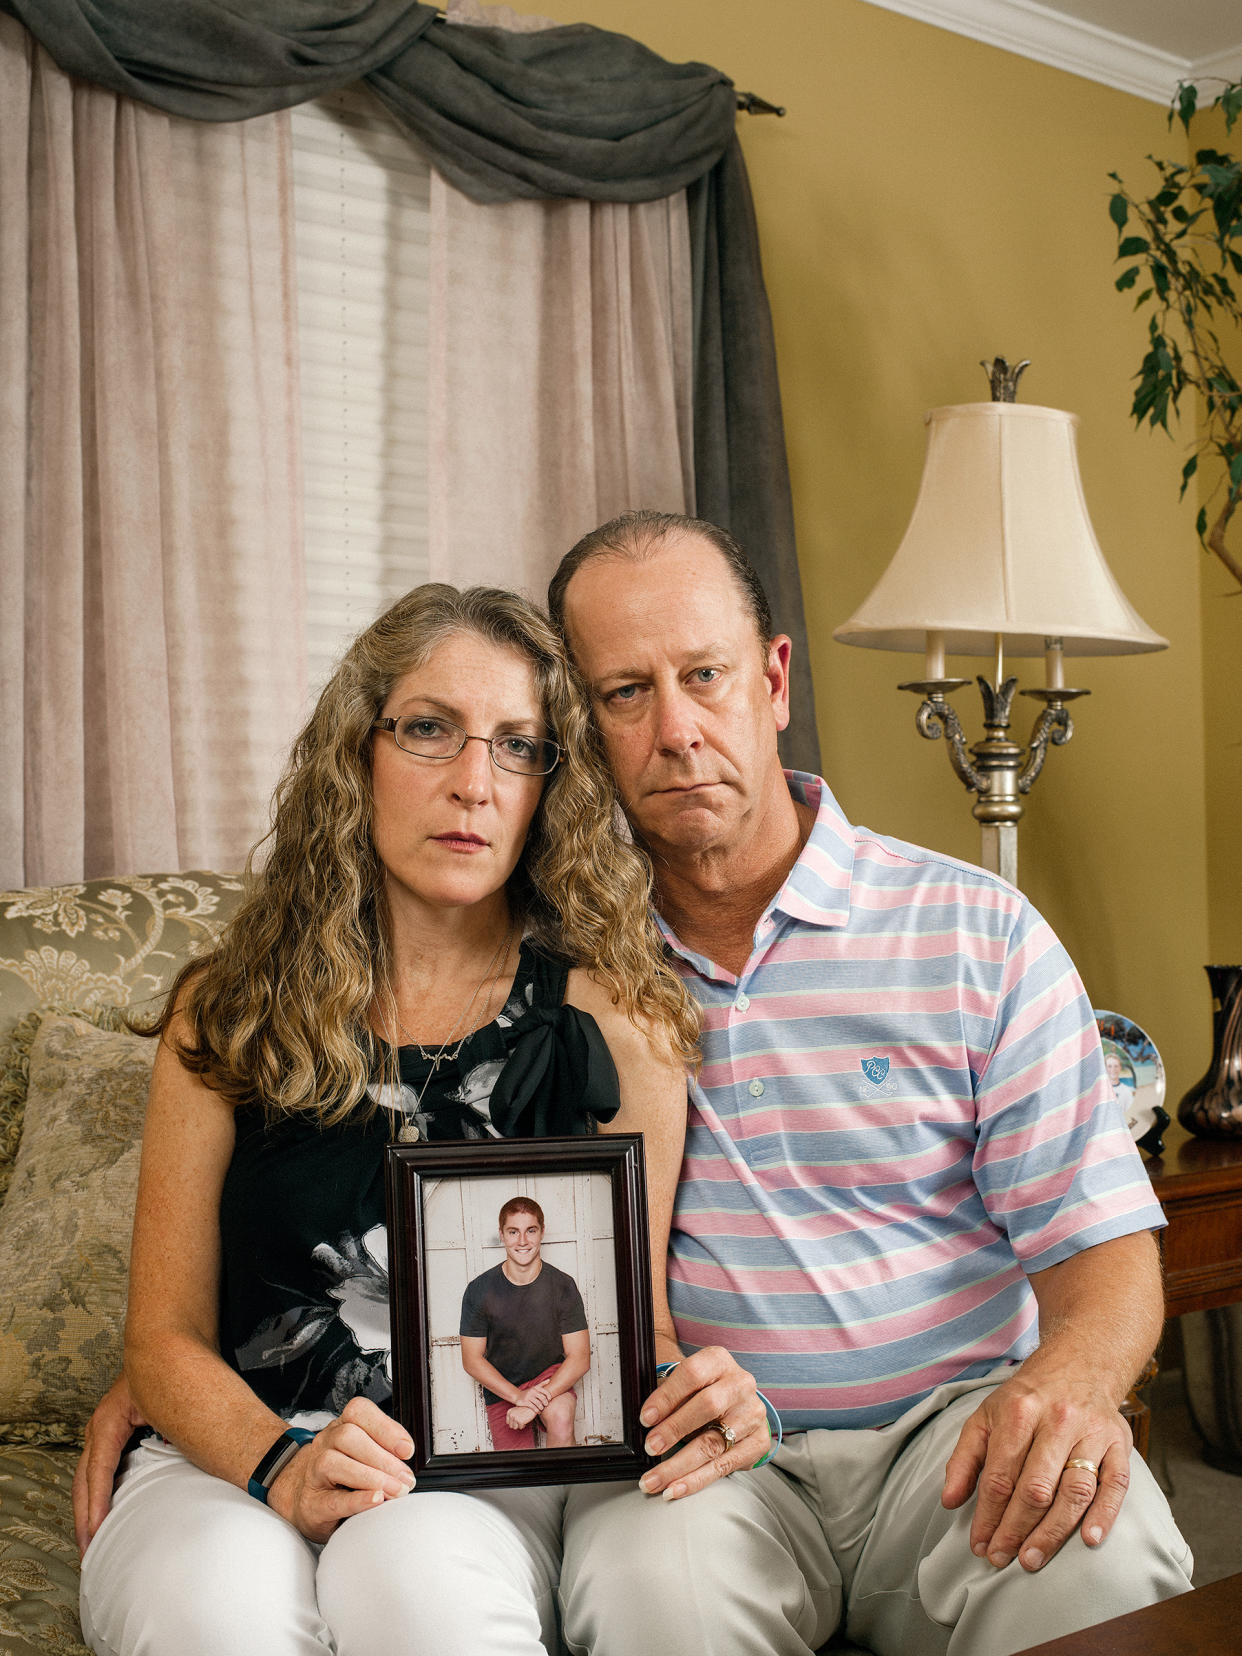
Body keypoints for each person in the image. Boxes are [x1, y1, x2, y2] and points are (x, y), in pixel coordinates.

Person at [542, 511, 1193, 1656]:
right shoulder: (558, 963)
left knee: (1111, 1559)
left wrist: (1075, 1384)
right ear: (583, 727)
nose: (679, 729)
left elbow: (1106, 1251)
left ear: (775, 680)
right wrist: (184, 1343)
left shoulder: (975, 932)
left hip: (957, 1438)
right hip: (705, 1455)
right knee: (648, 1598)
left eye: (705, 675)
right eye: (625, 693)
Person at [75, 582, 735, 1656]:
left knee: (416, 1583)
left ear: (548, 788)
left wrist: (694, 1394)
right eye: (430, 730)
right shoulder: (230, 1010)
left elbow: (633, 1326)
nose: (474, 784)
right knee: (210, 1609)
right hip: (237, 1451)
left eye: (518, 747)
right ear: (360, 754)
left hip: (488, 1468)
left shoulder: (618, 1020)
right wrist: (276, 1463)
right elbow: (163, 1336)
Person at [459, 1196, 589, 1451]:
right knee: (516, 1473)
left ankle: (564, 1489)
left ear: (542, 1232)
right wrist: (518, 1398)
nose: (522, 1241)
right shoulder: (479, 1289)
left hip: (549, 1380)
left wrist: (534, 1402)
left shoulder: (563, 1285)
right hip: (503, 1387)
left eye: (530, 1230)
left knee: (562, 1420)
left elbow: (580, 1357)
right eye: (513, 1232)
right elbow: (471, 1360)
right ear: (502, 1235)